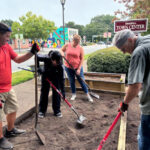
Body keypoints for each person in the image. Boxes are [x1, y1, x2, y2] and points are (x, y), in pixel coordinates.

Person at [0, 22, 40, 149]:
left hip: (8, 86)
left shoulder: (6, 47)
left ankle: (10, 130)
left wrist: (32, 52)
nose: (8, 39)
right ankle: (0, 139)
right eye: (7, 36)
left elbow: (17, 59)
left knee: (13, 108)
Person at [113, 29, 150, 150]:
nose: (124, 53)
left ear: (130, 40)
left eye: (123, 49)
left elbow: (134, 86)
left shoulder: (138, 52)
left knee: (145, 138)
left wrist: (124, 103)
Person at [60, 34, 93, 102]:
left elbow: (82, 59)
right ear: (73, 40)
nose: (76, 44)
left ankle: (87, 94)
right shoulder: (67, 45)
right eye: (76, 42)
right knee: (71, 81)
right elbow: (61, 50)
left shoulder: (80, 48)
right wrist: (62, 53)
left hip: (77, 67)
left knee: (82, 81)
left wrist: (78, 69)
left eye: (78, 43)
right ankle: (74, 94)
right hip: (68, 67)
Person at [37, 50, 65, 118]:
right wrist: (38, 68)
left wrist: (63, 91)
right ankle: (42, 111)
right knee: (44, 92)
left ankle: (57, 111)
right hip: (46, 74)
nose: (57, 63)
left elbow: (62, 79)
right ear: (51, 59)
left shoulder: (60, 65)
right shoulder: (46, 57)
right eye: (55, 62)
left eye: (58, 62)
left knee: (56, 92)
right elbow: (36, 57)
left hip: (56, 75)